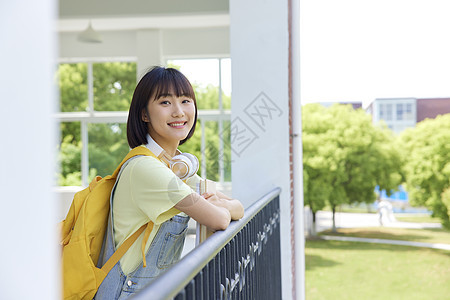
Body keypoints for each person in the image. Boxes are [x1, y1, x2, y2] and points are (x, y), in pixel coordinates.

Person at [95, 66, 244, 299]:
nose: (178, 111)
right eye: (165, 102)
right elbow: (220, 218)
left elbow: (238, 207)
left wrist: (225, 205)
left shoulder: (173, 166)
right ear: (144, 114)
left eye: (185, 100)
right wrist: (223, 207)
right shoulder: (146, 169)